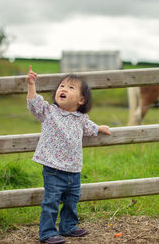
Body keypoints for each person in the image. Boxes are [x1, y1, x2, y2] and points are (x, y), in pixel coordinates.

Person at [27, 65, 111, 244]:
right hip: (53, 168)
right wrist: (31, 84)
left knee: (72, 201)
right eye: (61, 86)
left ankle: (68, 226)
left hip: (74, 169)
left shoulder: (81, 119)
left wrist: (100, 128)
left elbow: (90, 129)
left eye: (70, 87)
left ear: (81, 100)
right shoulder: (49, 112)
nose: (63, 89)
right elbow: (34, 104)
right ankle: (48, 232)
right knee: (51, 202)